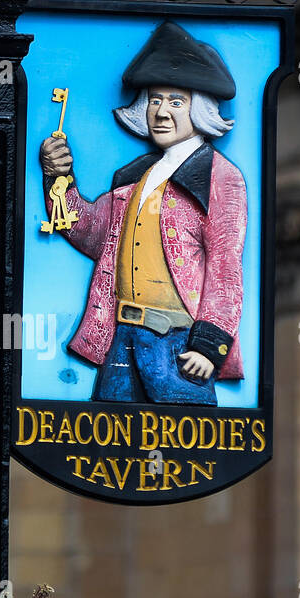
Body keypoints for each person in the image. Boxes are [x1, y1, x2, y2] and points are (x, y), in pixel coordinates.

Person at [39, 20, 247, 404]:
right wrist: (59, 177)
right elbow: (89, 232)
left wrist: (209, 346)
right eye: (155, 99)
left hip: (180, 347)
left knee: (187, 450)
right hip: (121, 341)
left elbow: (225, 269)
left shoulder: (221, 177)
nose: (162, 112)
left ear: (200, 108)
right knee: (105, 446)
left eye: (176, 101)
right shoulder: (135, 177)